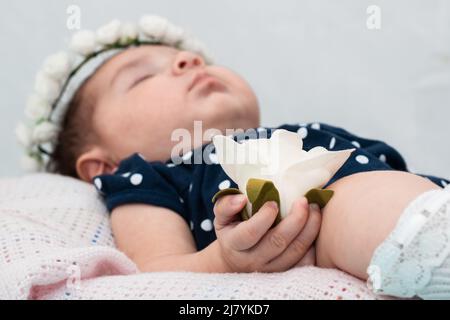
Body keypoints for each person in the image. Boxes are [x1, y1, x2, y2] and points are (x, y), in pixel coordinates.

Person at [18, 15, 450, 299]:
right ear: (105, 165)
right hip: (337, 221)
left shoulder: (289, 134)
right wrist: (225, 260)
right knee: (348, 202)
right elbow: (159, 272)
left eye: (192, 59)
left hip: (421, 191)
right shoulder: (146, 178)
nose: (188, 60)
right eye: (143, 76)